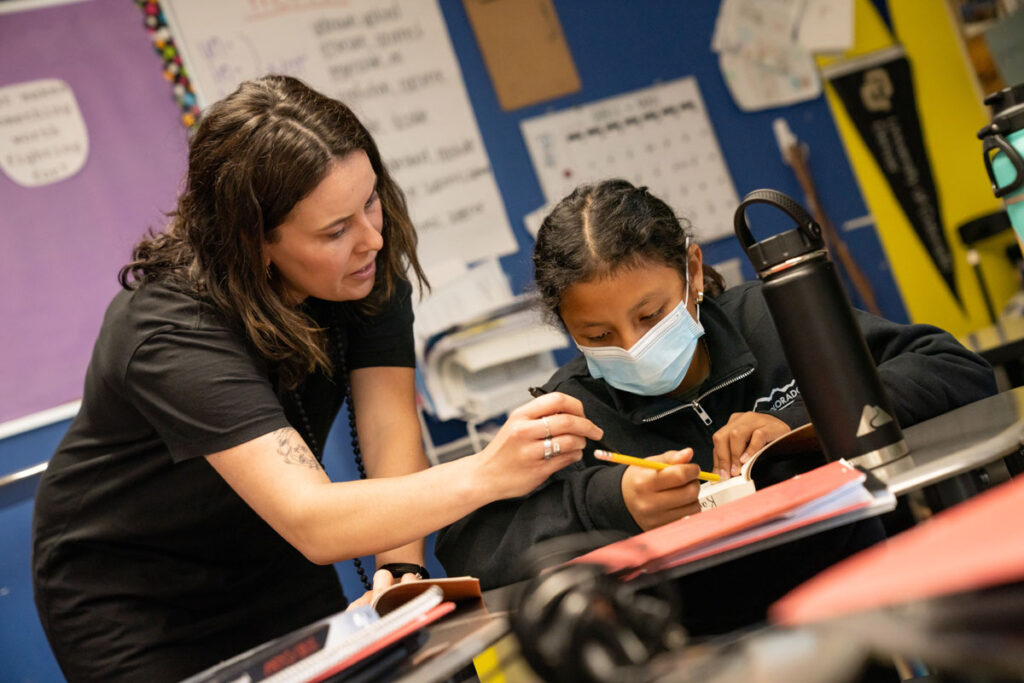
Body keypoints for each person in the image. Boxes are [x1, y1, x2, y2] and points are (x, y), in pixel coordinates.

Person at [31, 75, 602, 682]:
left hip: (266, 550)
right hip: (134, 591)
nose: (372, 239)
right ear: (254, 244)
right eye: (335, 231)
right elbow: (310, 517)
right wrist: (488, 473)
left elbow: (387, 424)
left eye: (371, 202)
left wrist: (402, 573)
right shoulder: (171, 331)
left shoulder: (363, 268)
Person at [436, 179, 997, 632]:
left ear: (694, 272)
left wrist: (798, 426)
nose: (632, 346)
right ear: (567, 329)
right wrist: (611, 503)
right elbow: (468, 550)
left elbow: (954, 369)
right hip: (710, 647)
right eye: (597, 333)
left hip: (866, 601)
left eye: (650, 315)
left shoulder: (776, 319)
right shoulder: (572, 412)